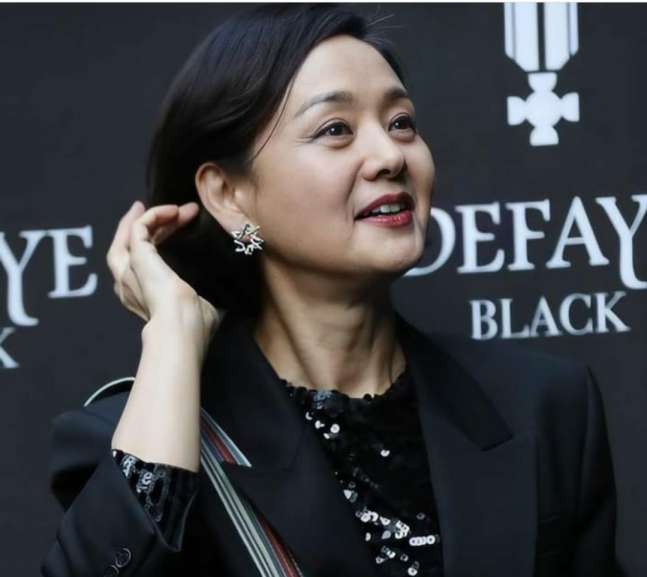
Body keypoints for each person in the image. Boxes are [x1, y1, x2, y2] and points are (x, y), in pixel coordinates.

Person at [41, 4, 618, 577]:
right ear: (229, 196)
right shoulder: (142, 436)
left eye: (401, 123)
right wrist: (172, 331)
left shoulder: (542, 405)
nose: (390, 156)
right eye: (335, 129)